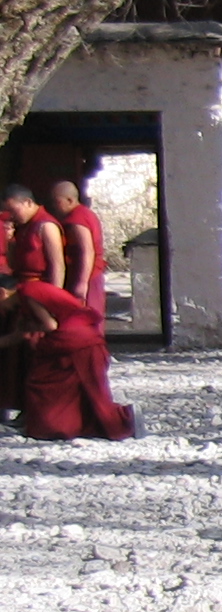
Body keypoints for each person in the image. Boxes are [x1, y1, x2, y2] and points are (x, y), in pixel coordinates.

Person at [0, 276, 136, 439]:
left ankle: (120, 418)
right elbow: (18, 335)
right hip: (82, 335)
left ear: (2, 293)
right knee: (80, 389)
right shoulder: (25, 297)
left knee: (41, 382)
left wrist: (30, 326)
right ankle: (80, 425)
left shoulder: (28, 294)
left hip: (73, 339)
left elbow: (50, 325)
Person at [50, 180, 105, 316]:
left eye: (57, 202)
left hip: (88, 274)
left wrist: (82, 282)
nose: (54, 206)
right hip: (88, 274)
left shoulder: (77, 218)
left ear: (70, 200)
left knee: (86, 317)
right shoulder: (86, 214)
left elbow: (87, 250)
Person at [2, 183, 66, 289]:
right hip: (19, 283)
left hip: (39, 286)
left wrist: (54, 295)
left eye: (13, 211)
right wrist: (10, 241)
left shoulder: (46, 226)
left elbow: (57, 266)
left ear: (28, 202)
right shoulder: (22, 226)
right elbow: (12, 265)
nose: (11, 216)